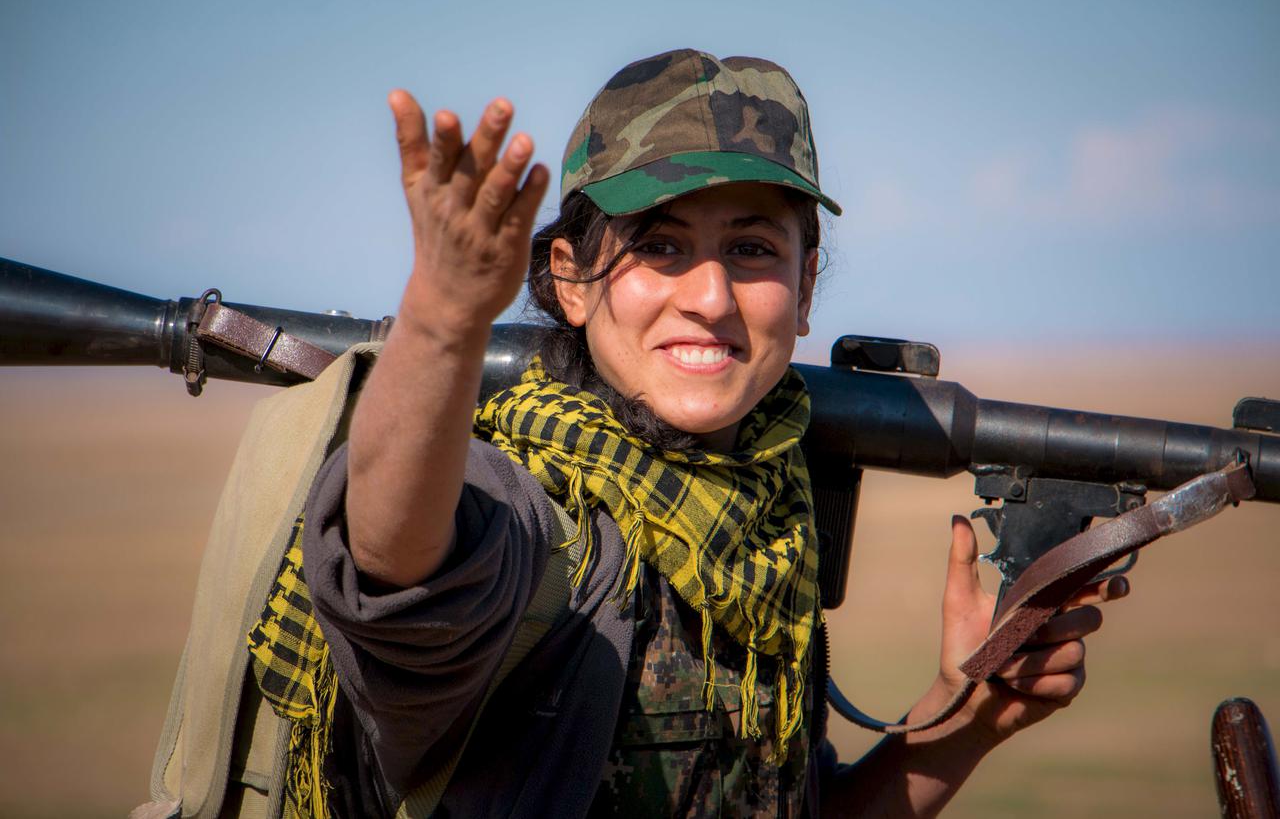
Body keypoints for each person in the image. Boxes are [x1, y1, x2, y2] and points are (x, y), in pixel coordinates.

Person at [289, 48, 1128, 817]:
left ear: (804, 289)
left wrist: (965, 719)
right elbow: (394, 559)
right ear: (572, 282)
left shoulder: (764, 522)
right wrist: (441, 319)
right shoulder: (527, 511)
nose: (713, 297)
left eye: (752, 248)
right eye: (659, 245)